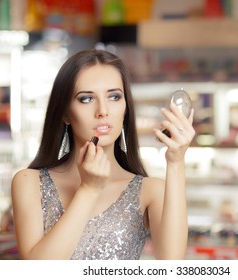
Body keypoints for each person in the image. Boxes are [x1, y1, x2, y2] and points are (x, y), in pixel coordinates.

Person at [11, 49, 195, 260]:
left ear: (126, 107)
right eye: (86, 99)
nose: (103, 111)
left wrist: (176, 162)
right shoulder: (30, 182)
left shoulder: (150, 190)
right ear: (65, 113)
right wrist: (88, 190)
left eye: (114, 96)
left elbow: (171, 265)